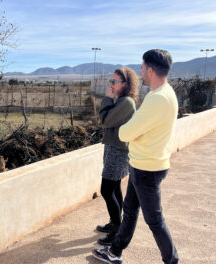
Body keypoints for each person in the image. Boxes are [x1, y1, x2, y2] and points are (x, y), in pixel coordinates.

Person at [92, 49, 179, 264]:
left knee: (154, 220)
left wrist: (129, 128)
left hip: (148, 169)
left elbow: (126, 132)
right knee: (129, 211)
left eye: (142, 68)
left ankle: (172, 260)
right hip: (141, 164)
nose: (141, 73)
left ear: (150, 69)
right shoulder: (164, 94)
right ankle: (114, 252)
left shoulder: (157, 99)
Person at [96, 67, 139, 246]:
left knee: (106, 190)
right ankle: (116, 224)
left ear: (125, 84)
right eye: (110, 81)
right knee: (114, 189)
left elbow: (105, 120)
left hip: (118, 150)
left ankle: (116, 229)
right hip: (113, 148)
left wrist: (107, 98)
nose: (111, 85)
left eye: (114, 82)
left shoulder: (126, 103)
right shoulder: (121, 101)